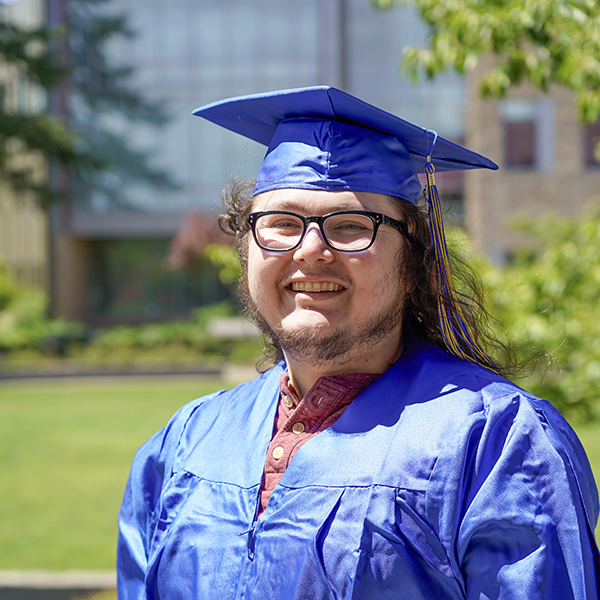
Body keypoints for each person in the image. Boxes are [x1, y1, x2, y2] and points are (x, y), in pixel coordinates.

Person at [117, 86, 600, 599]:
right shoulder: (186, 440)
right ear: (246, 249)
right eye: (281, 224)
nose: (310, 250)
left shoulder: (496, 442)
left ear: (412, 265)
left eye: (350, 226)